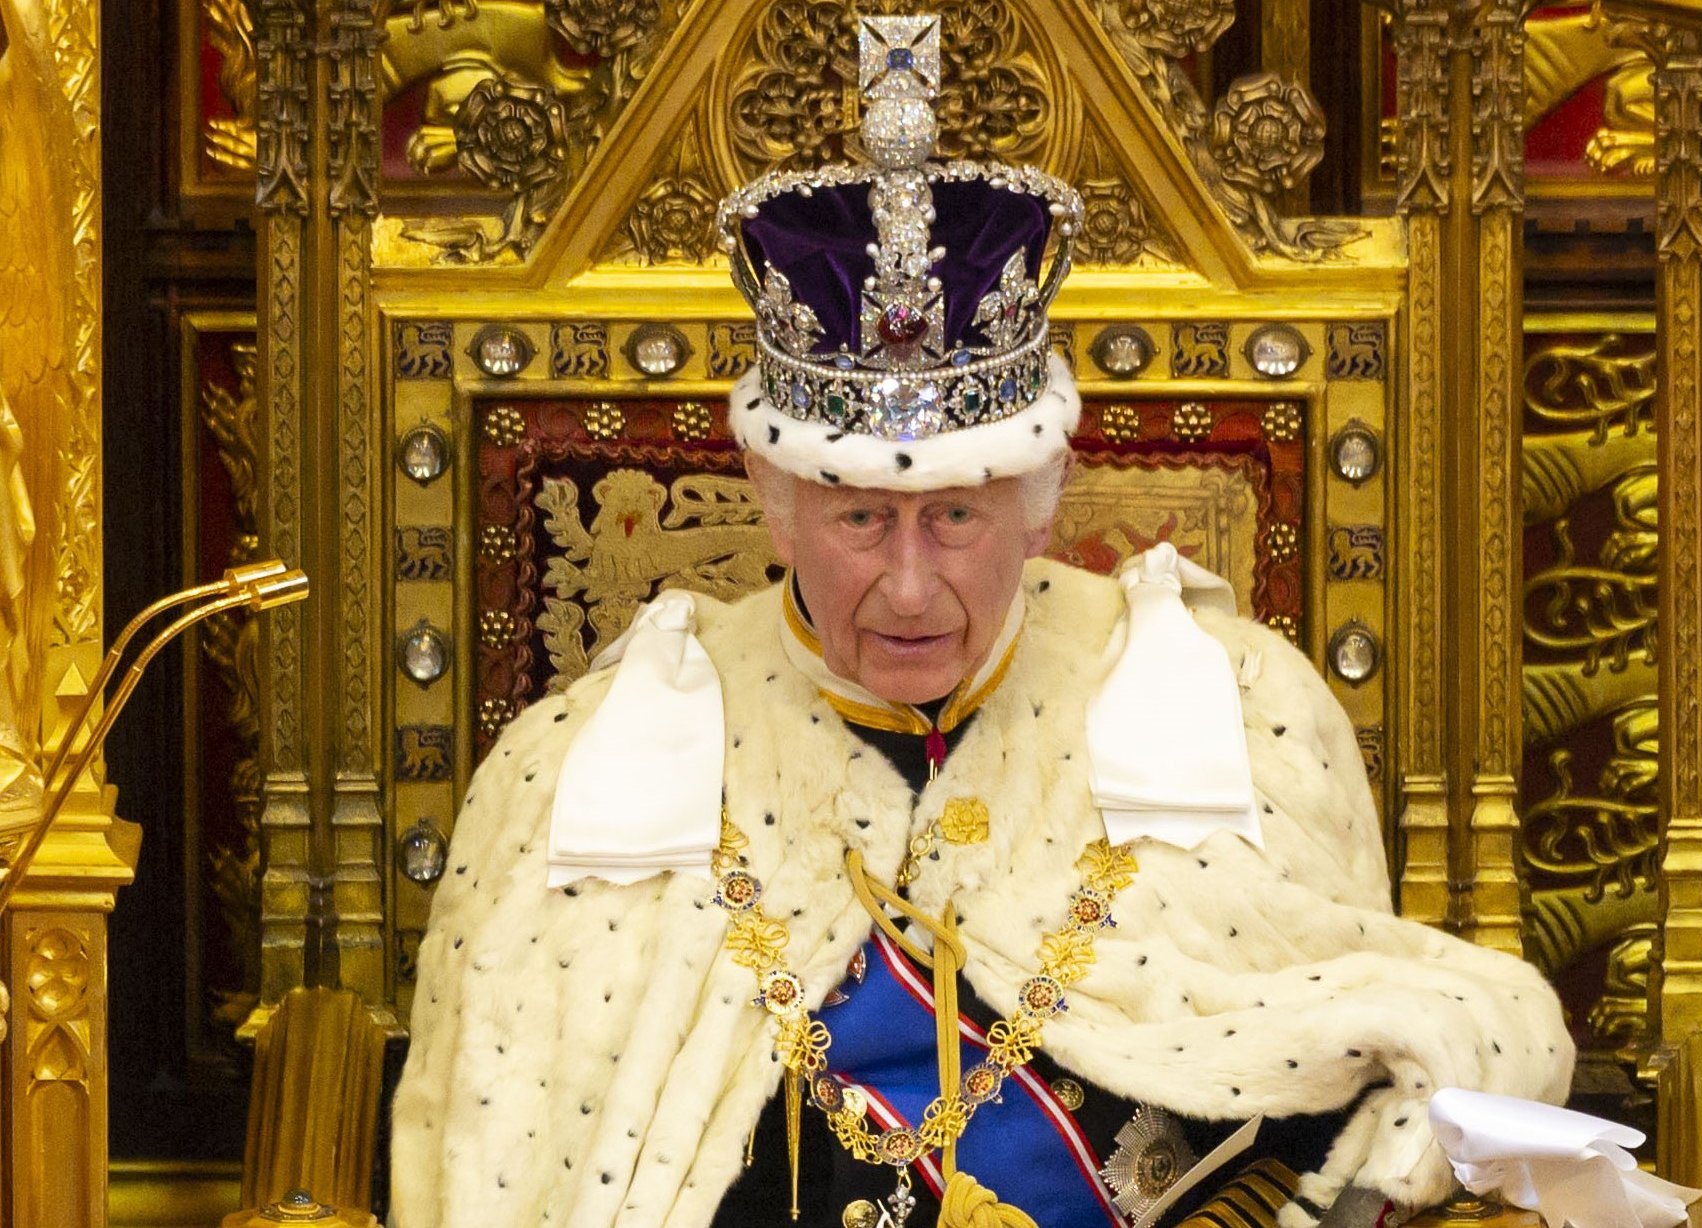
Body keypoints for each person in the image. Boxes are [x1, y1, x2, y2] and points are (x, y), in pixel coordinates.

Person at [390, 18, 1572, 1228]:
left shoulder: (1237, 704)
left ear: (1040, 505)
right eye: (859, 521)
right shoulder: (577, 762)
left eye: (954, 516)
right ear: (778, 506)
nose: (910, 588)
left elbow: (1399, 1058)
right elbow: (499, 1145)